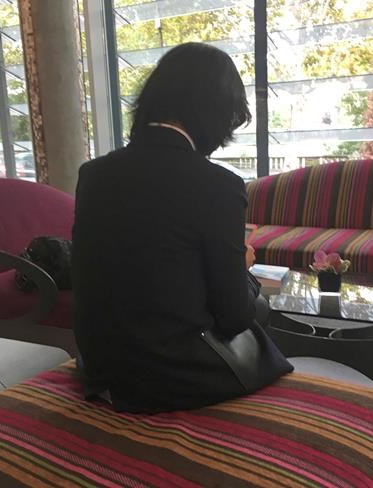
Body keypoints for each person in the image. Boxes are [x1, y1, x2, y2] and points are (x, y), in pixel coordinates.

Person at [72, 42, 292, 413]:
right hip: (170, 379)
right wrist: (242, 268)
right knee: (257, 308)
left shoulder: (93, 174)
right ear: (217, 112)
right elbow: (234, 316)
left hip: (100, 369)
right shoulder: (218, 185)